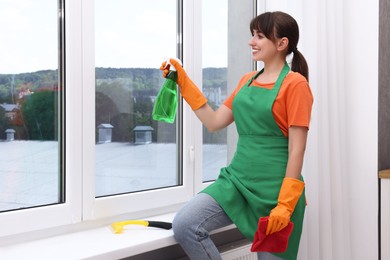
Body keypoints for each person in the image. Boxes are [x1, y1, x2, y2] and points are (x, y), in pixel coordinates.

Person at [161, 11, 313, 260]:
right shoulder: (247, 80)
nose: (251, 41)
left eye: (260, 36)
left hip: (276, 194)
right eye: (252, 35)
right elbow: (214, 121)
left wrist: (285, 206)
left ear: (281, 43)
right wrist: (183, 82)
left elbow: (297, 149)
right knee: (186, 223)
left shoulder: (295, 85)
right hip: (237, 182)